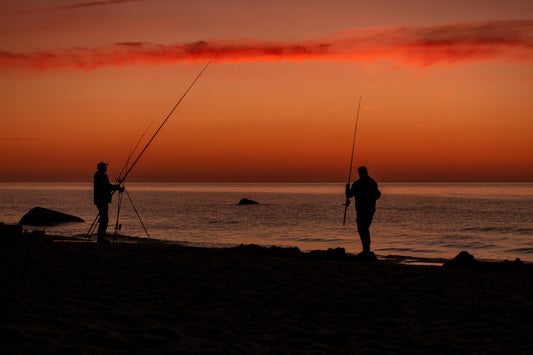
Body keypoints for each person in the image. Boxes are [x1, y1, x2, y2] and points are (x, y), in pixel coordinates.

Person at [345, 166, 381, 254]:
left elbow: (349, 195)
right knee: (364, 228)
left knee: (362, 229)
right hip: (369, 209)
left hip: (363, 209)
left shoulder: (357, 184)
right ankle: (366, 249)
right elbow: (378, 195)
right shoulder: (372, 182)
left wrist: (347, 188)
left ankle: (366, 249)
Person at [93, 162, 123, 244]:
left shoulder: (98, 176)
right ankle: (100, 239)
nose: (106, 168)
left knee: (103, 218)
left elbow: (107, 186)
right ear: (101, 168)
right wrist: (117, 188)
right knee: (104, 219)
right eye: (105, 167)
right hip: (101, 200)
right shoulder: (101, 176)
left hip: (100, 200)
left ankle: (101, 238)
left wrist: (115, 188)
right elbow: (106, 186)